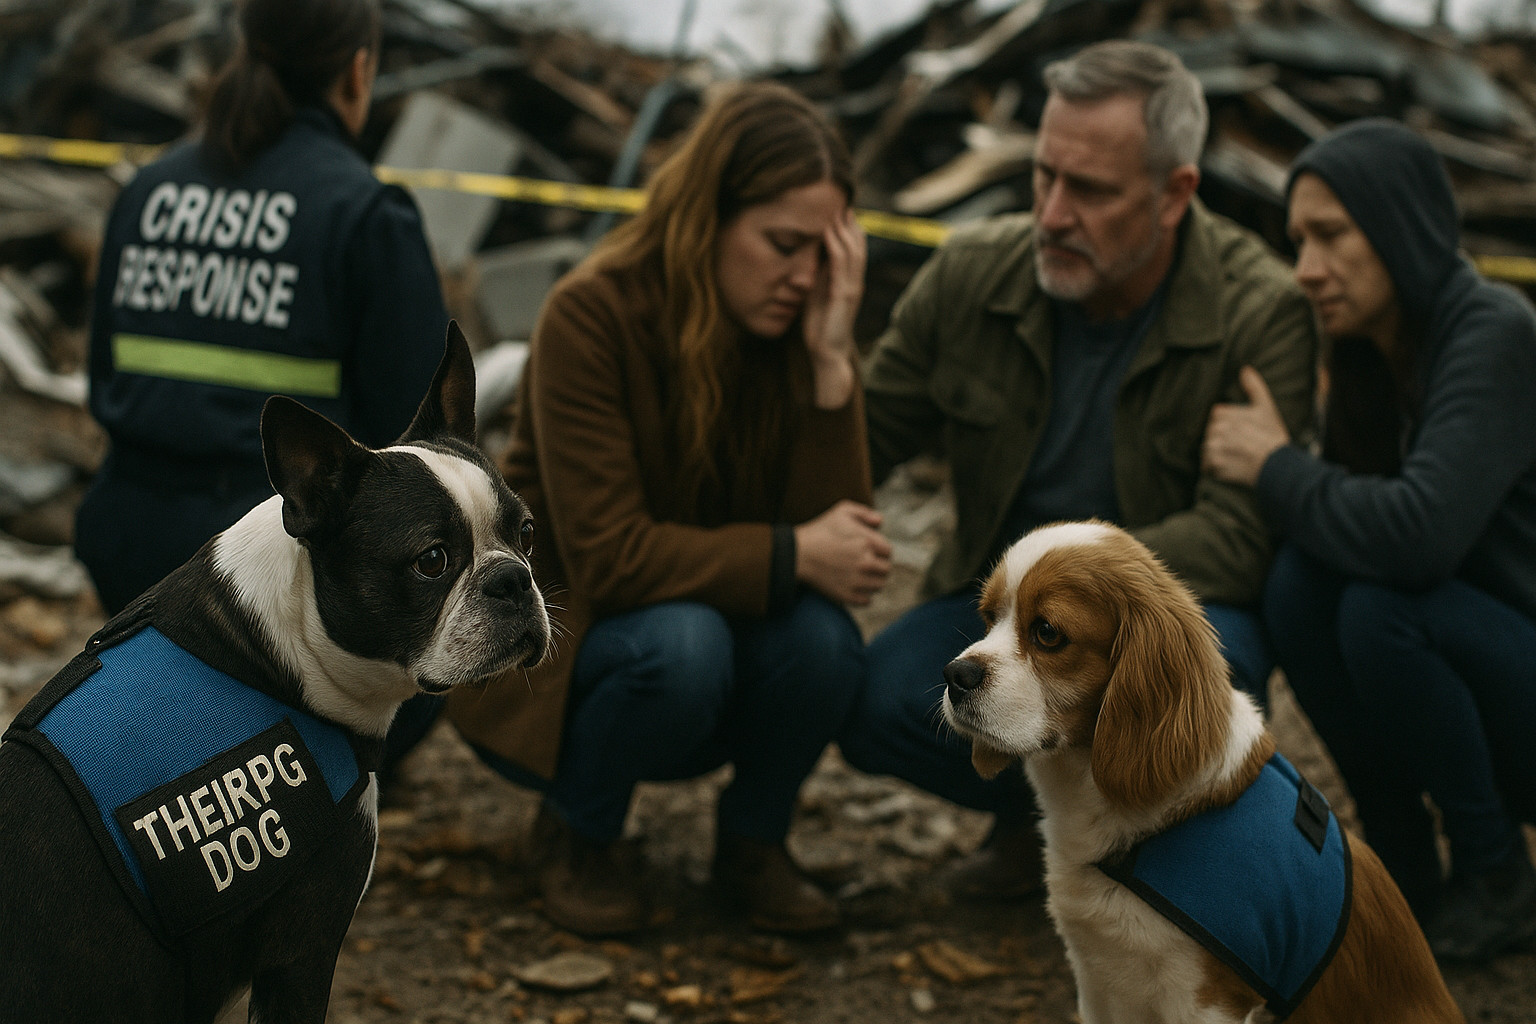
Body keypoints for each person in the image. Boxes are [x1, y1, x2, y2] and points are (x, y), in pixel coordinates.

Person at [837, 39, 1319, 897]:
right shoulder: (970, 273)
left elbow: (1240, 539)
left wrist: (1084, 588)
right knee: (877, 699)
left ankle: (1167, 882)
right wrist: (820, 359)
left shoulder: (1262, 309)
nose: (1053, 214)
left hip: (1172, 611)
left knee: (1212, 684)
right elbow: (857, 446)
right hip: (1002, 609)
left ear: (1176, 193)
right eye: (1043, 176)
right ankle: (1050, 836)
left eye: (1090, 190)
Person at [446, 81, 891, 937]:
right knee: (685, 646)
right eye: (784, 245)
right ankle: (579, 832)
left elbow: (852, 553)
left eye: (824, 253)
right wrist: (791, 554)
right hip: (576, 649)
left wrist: (833, 365)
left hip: (707, 634)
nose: (806, 276)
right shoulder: (592, 315)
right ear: (707, 218)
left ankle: (754, 845)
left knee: (826, 644)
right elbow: (612, 558)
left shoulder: (797, 330)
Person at [1202, 117, 1536, 963]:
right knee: (1299, 584)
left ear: (1399, 228)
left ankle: (1497, 870)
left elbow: (1418, 537)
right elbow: (1350, 527)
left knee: (1383, 610)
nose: (1307, 269)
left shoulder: (1494, 331)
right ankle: (1402, 857)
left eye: (1331, 236)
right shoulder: (1370, 355)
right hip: (1486, 662)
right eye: (1298, 243)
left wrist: (1274, 465)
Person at [75, 0, 447, 617]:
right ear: (357, 72)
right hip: (272, 563)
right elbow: (420, 431)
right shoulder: (365, 213)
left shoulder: (148, 189)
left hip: (126, 541)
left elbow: (104, 376)